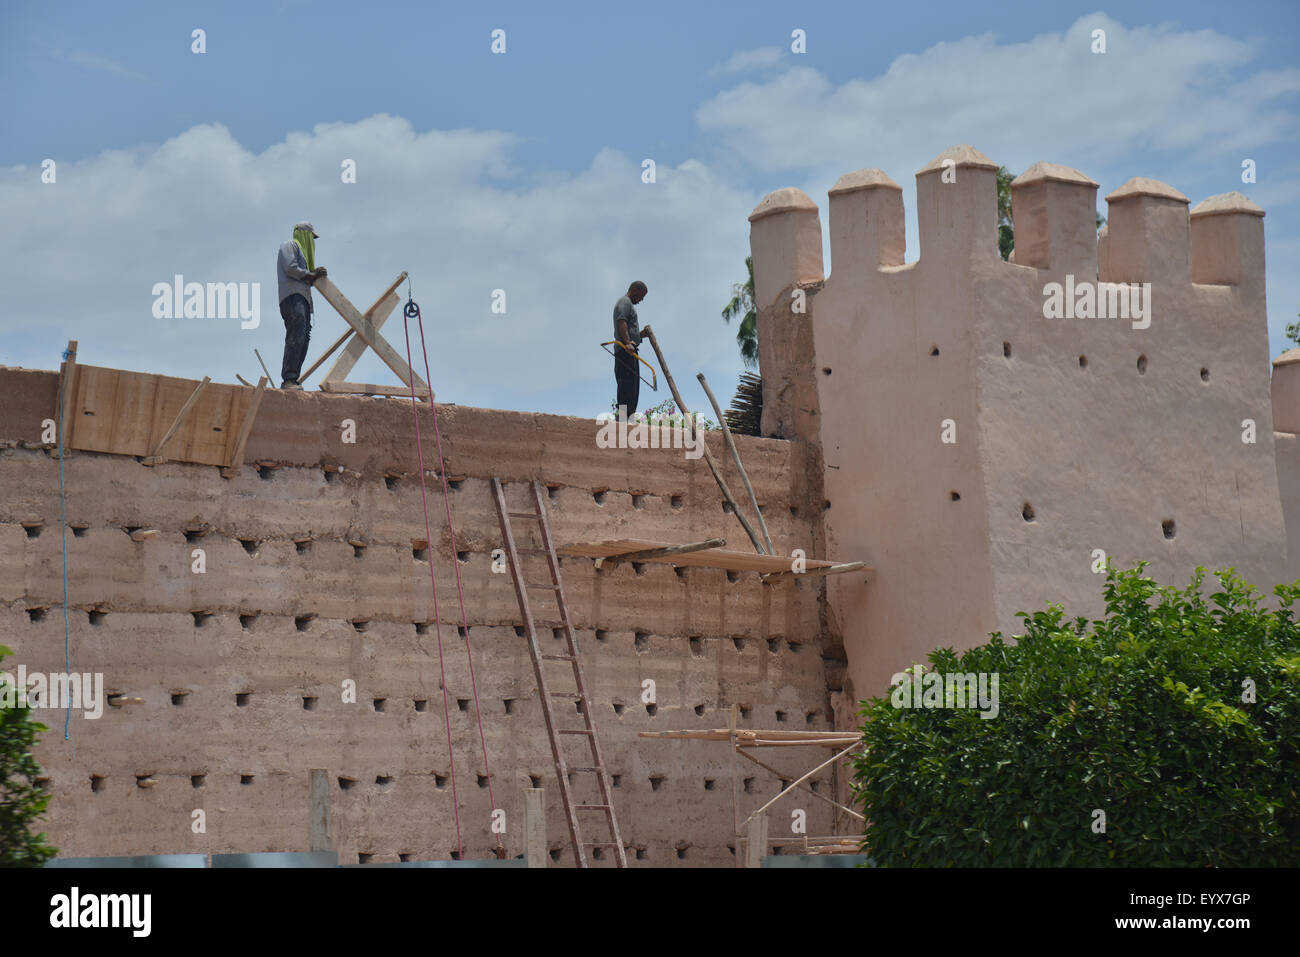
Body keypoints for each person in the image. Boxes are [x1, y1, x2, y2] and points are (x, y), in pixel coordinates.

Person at [276, 222, 327, 390]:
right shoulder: (290, 245)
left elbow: (305, 279)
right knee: (296, 333)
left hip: (302, 299)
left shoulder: (304, 256)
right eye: (311, 237)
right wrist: (310, 274)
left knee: (304, 337)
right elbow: (291, 268)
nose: (312, 242)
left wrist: (314, 275)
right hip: (292, 297)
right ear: (303, 234)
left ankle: (293, 378)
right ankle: (289, 378)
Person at [613, 281, 648, 416]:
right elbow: (621, 320)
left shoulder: (628, 304)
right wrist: (628, 343)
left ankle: (628, 419)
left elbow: (627, 328)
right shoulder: (624, 302)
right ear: (634, 291)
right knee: (626, 387)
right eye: (641, 296)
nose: (641, 300)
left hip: (629, 350)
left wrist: (640, 336)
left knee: (632, 389)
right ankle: (623, 420)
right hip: (625, 351)